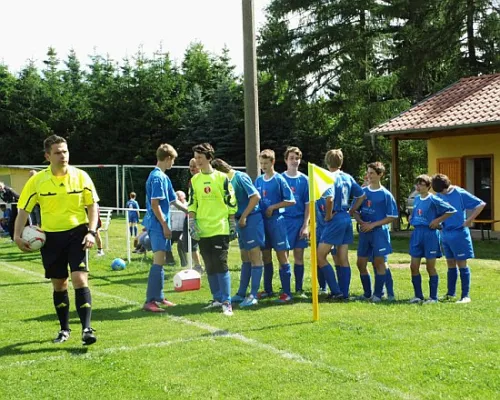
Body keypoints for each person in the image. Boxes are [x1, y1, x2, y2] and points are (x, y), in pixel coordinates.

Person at [13, 134, 99, 345]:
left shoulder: (81, 176)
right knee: (60, 284)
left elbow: (92, 206)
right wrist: (17, 235)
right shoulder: (37, 181)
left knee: (79, 279)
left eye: (65, 151)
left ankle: (87, 328)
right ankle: (64, 330)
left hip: (77, 233)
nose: (63, 156)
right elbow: (23, 210)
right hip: (50, 238)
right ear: (47, 156)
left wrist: (91, 231)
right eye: (58, 152)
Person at [188, 143, 237, 316]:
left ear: (209, 158)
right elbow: (192, 203)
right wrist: (192, 223)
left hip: (219, 228)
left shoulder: (222, 178)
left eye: (200, 158)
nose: (197, 161)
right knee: (209, 265)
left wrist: (232, 222)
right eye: (196, 157)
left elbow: (231, 201)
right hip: (202, 229)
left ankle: (226, 301)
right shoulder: (194, 180)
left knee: (220, 264)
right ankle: (216, 298)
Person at [212, 158, 265, 307]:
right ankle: (241, 292)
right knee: (244, 257)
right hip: (240, 221)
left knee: (255, 256)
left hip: (251, 219)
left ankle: (253, 295)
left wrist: (243, 216)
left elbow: (255, 197)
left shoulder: (240, 177)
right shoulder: (224, 181)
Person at [142, 143, 188, 313]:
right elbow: (155, 205)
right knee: (158, 261)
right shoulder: (157, 178)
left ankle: (159, 296)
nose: (173, 164)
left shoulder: (163, 177)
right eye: (173, 161)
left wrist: (189, 211)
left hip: (161, 225)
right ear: (168, 158)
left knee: (161, 262)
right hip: (157, 225)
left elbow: (172, 200)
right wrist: (165, 225)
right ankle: (150, 300)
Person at [317, 149, 365, 300]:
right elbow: (361, 195)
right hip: (345, 217)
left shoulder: (328, 177)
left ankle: (335, 290)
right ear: (341, 162)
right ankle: (344, 293)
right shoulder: (347, 177)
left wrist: (329, 215)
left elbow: (329, 198)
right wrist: (351, 211)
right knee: (342, 256)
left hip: (335, 218)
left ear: (326, 161)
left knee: (320, 256)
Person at [432, 173, 486, 304]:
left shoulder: (459, 193)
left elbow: (480, 204)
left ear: (447, 186)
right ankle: (450, 294)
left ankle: (465, 296)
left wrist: (469, 220)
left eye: (443, 191)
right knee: (450, 263)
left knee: (461, 263)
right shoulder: (439, 194)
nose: (442, 194)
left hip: (459, 233)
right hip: (445, 233)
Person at [254, 149, 296, 303]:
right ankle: (268, 289)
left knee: (281, 256)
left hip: (277, 222)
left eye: (266, 163)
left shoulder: (279, 179)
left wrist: (273, 207)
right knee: (265, 256)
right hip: (262, 223)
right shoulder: (258, 180)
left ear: (272, 162)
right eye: (261, 163)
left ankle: (287, 292)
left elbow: (291, 201)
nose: (263, 166)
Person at [353, 162, 398, 303]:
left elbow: (392, 216)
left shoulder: (386, 195)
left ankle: (378, 294)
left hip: (379, 233)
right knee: (361, 263)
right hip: (365, 232)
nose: (369, 175)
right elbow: (354, 211)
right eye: (368, 172)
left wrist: (373, 225)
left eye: (372, 173)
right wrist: (361, 222)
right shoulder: (363, 193)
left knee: (379, 263)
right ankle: (367, 293)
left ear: (380, 175)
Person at [408, 174, 456, 304]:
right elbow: (416, 213)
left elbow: (451, 210)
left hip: (430, 235)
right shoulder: (417, 199)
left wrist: (437, 220)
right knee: (413, 266)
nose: (418, 186)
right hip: (417, 234)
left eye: (421, 184)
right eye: (417, 184)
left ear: (428, 186)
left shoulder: (434, 199)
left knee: (430, 267)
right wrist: (411, 218)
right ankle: (418, 295)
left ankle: (433, 297)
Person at [281, 147, 310, 298]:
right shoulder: (280, 178)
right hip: (283, 222)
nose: (294, 161)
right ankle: (285, 289)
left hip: (299, 222)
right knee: (283, 256)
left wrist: (306, 225)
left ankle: (299, 289)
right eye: (291, 158)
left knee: (299, 255)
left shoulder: (305, 180)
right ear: (286, 160)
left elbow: (308, 204)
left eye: (297, 158)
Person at [181, 158, 204, 274]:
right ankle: (197, 265)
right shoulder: (191, 181)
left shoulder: (204, 180)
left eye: (194, 166)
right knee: (188, 242)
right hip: (189, 216)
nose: (192, 168)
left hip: (200, 217)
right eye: (190, 166)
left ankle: (201, 266)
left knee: (200, 242)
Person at [165, 190, 188, 267]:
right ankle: (170, 261)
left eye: (179, 196)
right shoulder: (171, 207)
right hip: (174, 230)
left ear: (184, 197)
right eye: (176, 196)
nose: (177, 198)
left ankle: (184, 263)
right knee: (165, 242)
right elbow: (168, 220)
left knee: (180, 243)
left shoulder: (188, 206)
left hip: (184, 230)